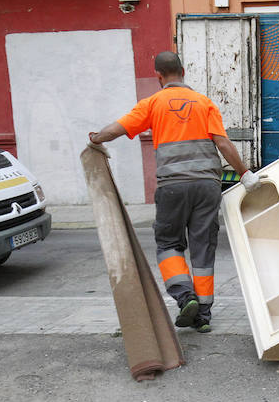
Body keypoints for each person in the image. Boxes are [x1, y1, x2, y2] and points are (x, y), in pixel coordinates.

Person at [89, 51, 261, 333]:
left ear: (159, 76)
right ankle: (203, 315)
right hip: (207, 187)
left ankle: (185, 296)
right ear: (183, 71)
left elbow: (116, 130)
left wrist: (96, 138)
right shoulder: (204, 103)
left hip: (172, 187)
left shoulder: (152, 103)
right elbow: (223, 143)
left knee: (169, 244)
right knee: (203, 247)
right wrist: (244, 174)